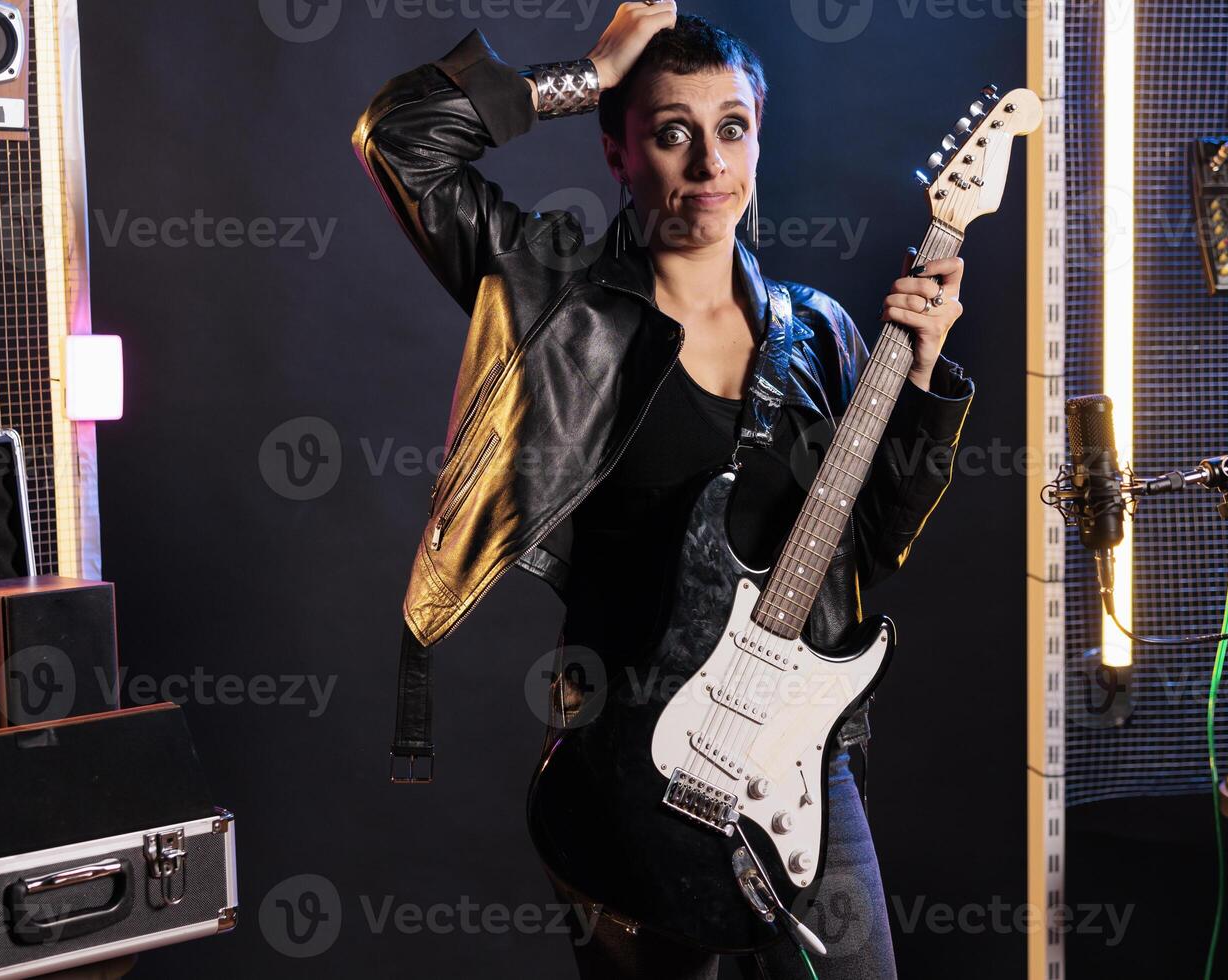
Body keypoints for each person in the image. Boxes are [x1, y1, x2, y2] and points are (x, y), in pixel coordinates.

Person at [353, 4, 974, 977]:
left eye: (732, 128)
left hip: (801, 760)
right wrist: (590, 70)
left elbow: (877, 544)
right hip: (626, 758)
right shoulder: (556, 301)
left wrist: (928, 374)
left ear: (758, 142)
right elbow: (398, 141)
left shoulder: (816, 333)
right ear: (617, 148)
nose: (708, 163)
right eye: (671, 131)